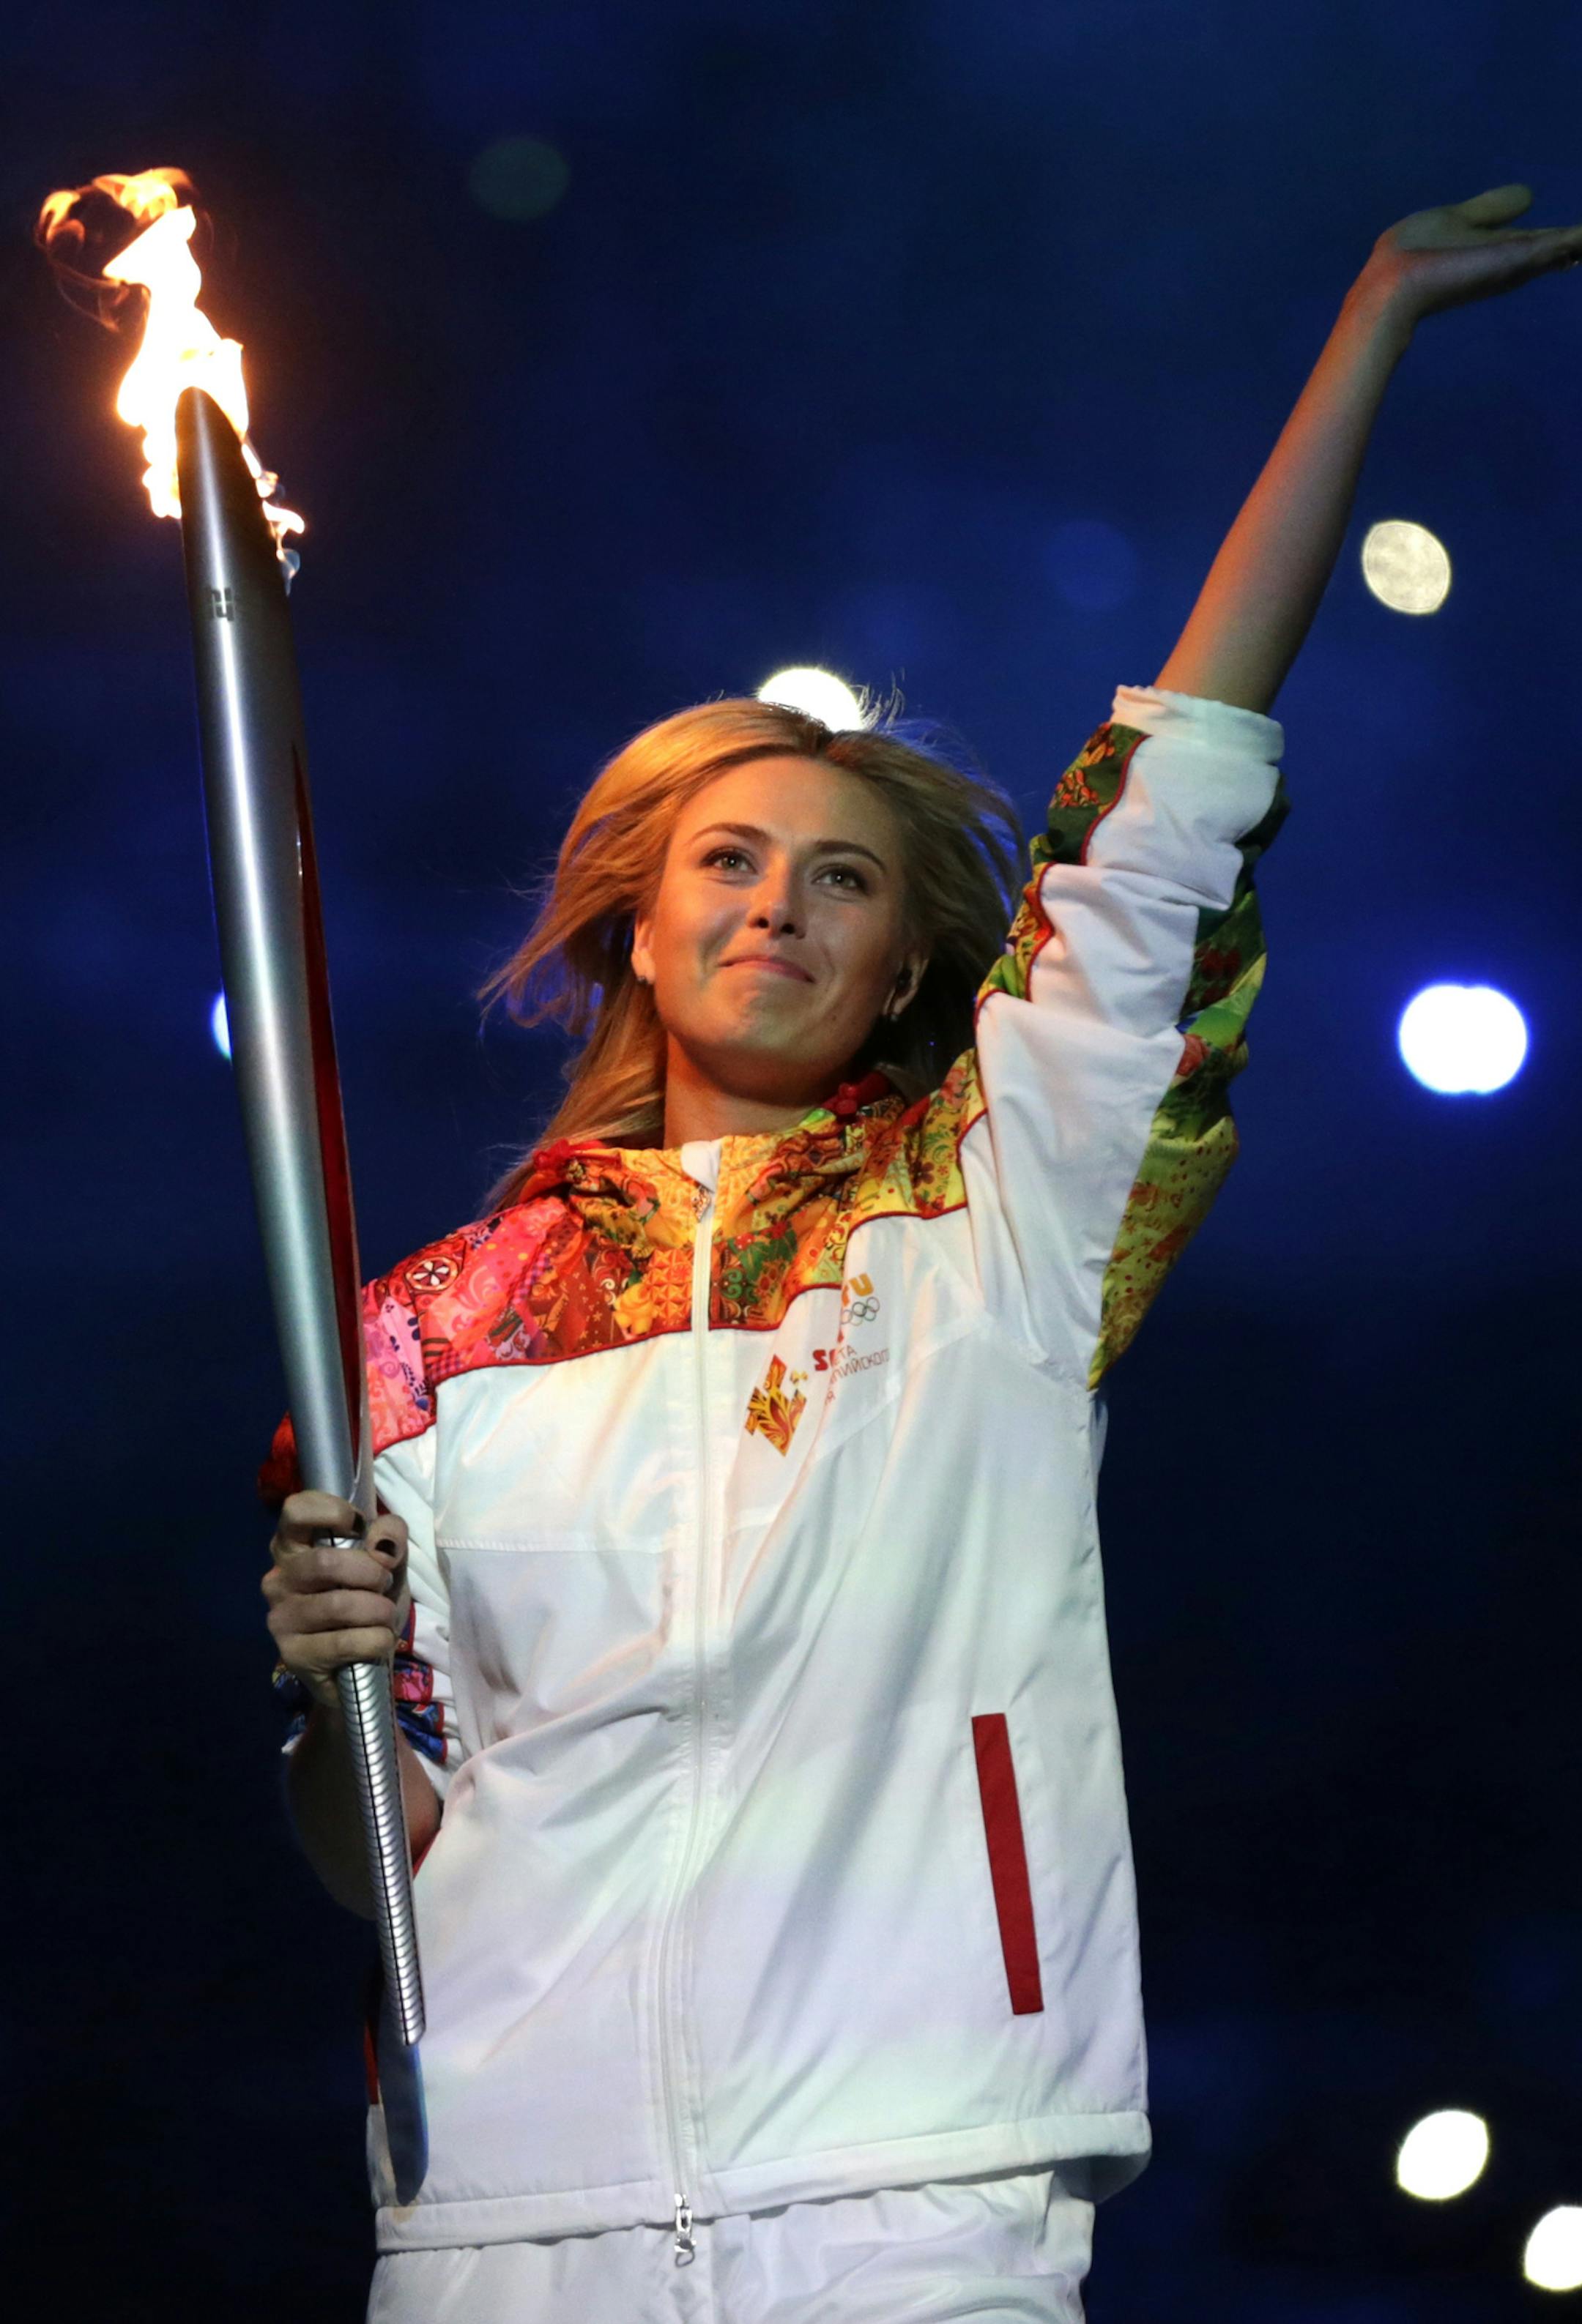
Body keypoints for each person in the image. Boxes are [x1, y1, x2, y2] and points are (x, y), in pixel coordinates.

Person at [262, 188, 1582, 2323]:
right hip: (506, 2229)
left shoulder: (998, 1212)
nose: (777, 904)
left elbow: (1165, 820)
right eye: (729, 859)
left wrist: (1373, 328)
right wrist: (328, 1695)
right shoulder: (424, 1334)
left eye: (843, 879)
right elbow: (383, 1855)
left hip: (911, 2202)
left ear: (900, 970)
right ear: (638, 927)